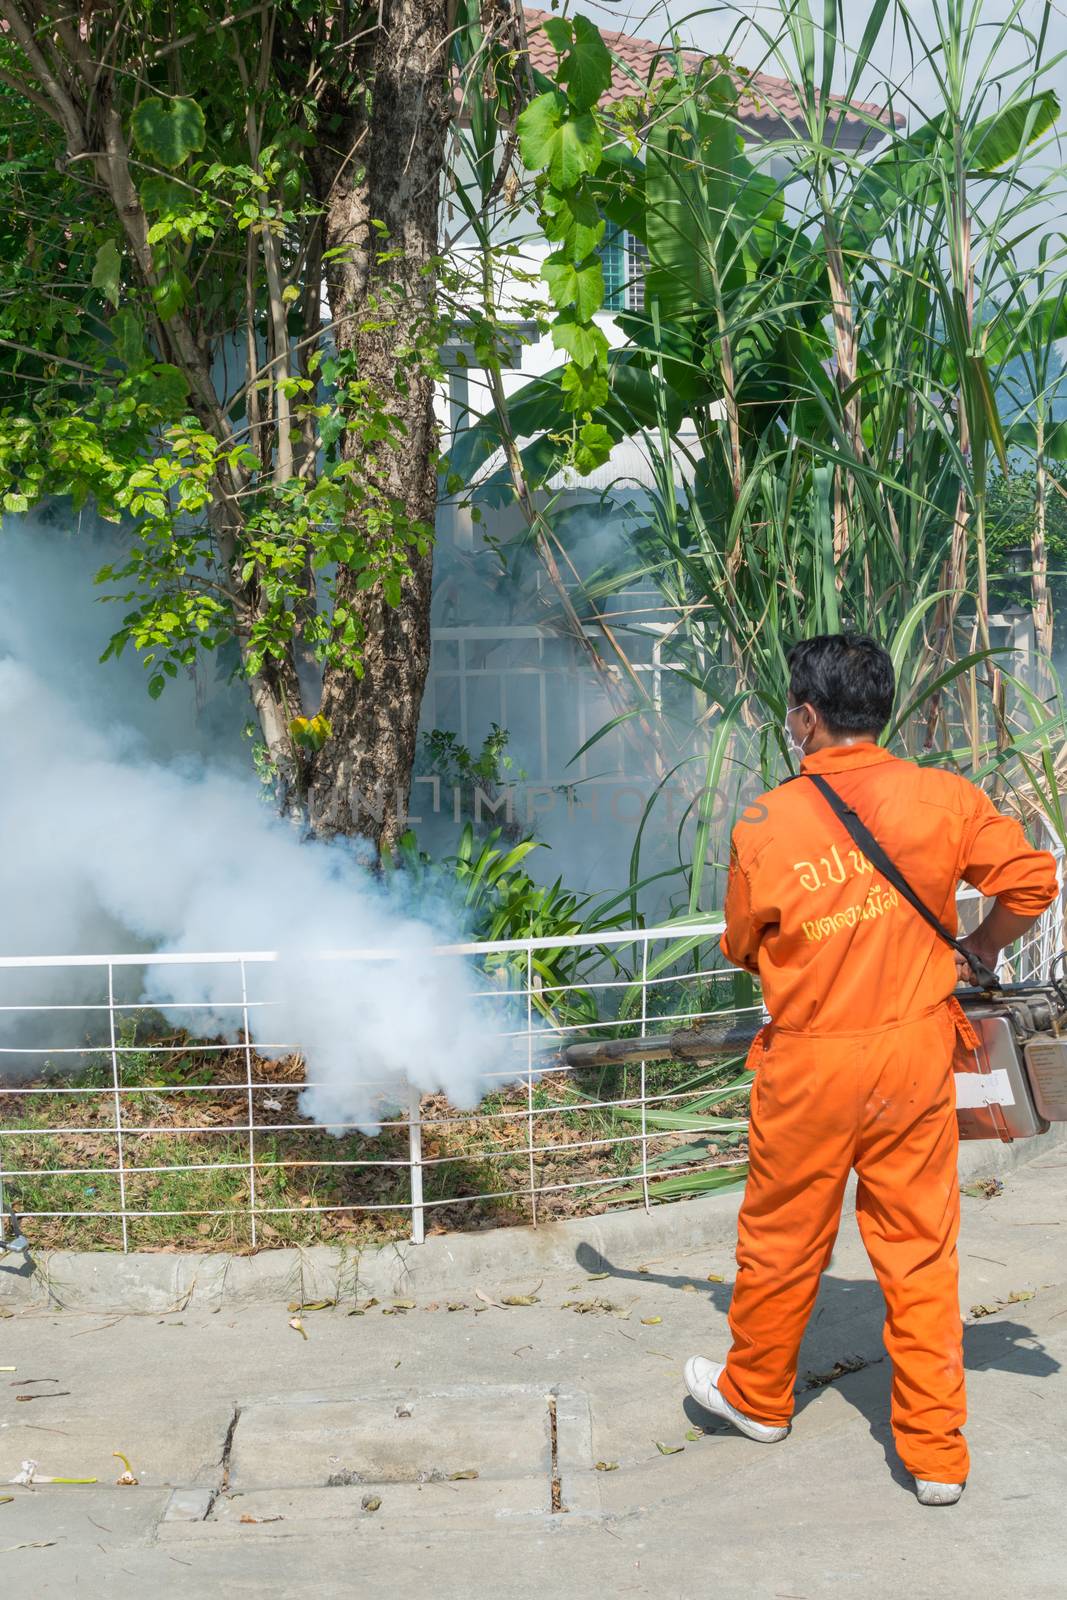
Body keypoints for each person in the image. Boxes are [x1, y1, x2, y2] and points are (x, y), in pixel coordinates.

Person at [684, 632, 1059, 1506]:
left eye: (791, 711)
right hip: (915, 1055)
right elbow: (1032, 882)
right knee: (920, 1254)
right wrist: (976, 946)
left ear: (806, 717)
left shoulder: (765, 821)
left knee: (781, 1241)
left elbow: (744, 944)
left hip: (810, 1064)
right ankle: (935, 1459)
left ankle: (757, 1397)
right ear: (879, 711)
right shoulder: (944, 798)